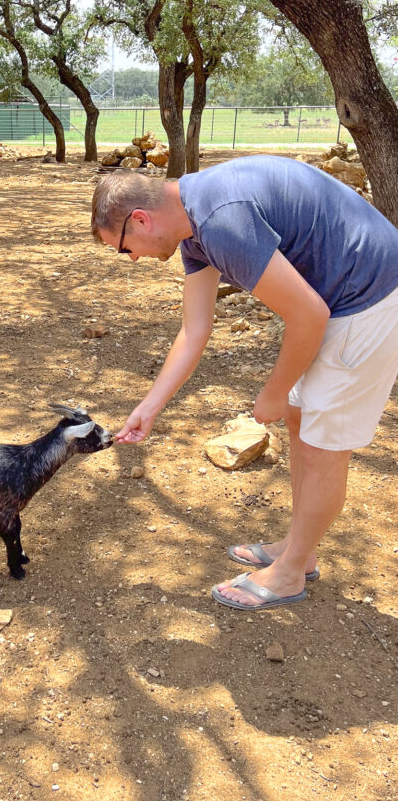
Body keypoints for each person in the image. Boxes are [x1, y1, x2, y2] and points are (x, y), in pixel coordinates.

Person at [90, 155, 398, 611]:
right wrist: (149, 407)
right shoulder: (191, 225)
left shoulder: (218, 221)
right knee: (299, 421)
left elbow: (308, 315)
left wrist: (273, 393)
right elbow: (194, 331)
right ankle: (300, 547)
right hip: (338, 297)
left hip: (370, 294)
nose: (131, 258)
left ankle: (291, 572)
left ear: (140, 219)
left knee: (321, 444)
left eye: (122, 247)